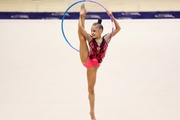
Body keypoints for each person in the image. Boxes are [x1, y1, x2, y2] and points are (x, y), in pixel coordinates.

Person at [78, 3, 121, 120]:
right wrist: (80, 16)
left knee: (91, 90)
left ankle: (91, 112)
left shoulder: (106, 38)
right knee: (81, 37)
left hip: (94, 66)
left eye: (94, 31)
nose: (92, 33)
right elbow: (81, 29)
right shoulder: (90, 39)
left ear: (100, 31)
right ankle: (83, 13)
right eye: (91, 31)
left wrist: (112, 17)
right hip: (86, 59)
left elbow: (118, 28)